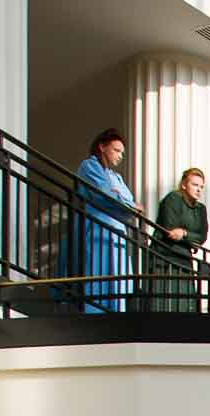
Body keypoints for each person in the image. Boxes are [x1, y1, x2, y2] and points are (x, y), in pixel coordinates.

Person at [74, 129, 139, 314]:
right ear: (102, 147)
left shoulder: (116, 177)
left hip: (117, 232)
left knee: (117, 277)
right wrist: (126, 203)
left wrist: (124, 202)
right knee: (99, 273)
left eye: (122, 153)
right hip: (98, 229)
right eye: (117, 150)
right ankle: (95, 312)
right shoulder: (89, 166)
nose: (120, 156)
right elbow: (104, 194)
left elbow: (128, 204)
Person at [148, 168, 208, 313]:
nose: (198, 190)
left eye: (201, 187)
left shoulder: (201, 209)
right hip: (164, 257)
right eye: (195, 185)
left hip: (184, 259)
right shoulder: (173, 199)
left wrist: (185, 234)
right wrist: (190, 238)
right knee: (164, 302)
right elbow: (170, 229)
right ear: (183, 185)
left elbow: (202, 236)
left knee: (184, 303)